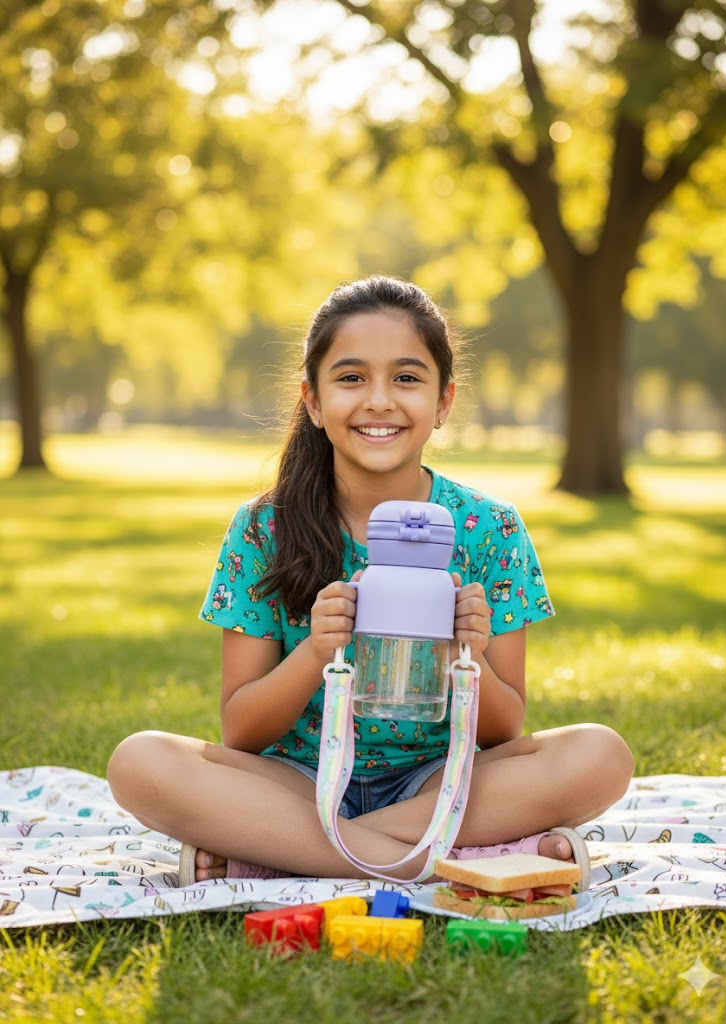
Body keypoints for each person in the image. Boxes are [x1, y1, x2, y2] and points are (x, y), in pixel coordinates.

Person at [107, 275, 635, 886]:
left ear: (443, 403)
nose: (380, 400)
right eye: (351, 377)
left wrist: (469, 656)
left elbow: (504, 729)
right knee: (139, 761)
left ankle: (287, 855)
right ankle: (441, 858)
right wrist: (314, 651)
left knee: (601, 754)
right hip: (297, 781)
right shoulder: (263, 528)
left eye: (407, 378)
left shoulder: (490, 527)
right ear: (313, 400)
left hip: (440, 777)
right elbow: (241, 731)